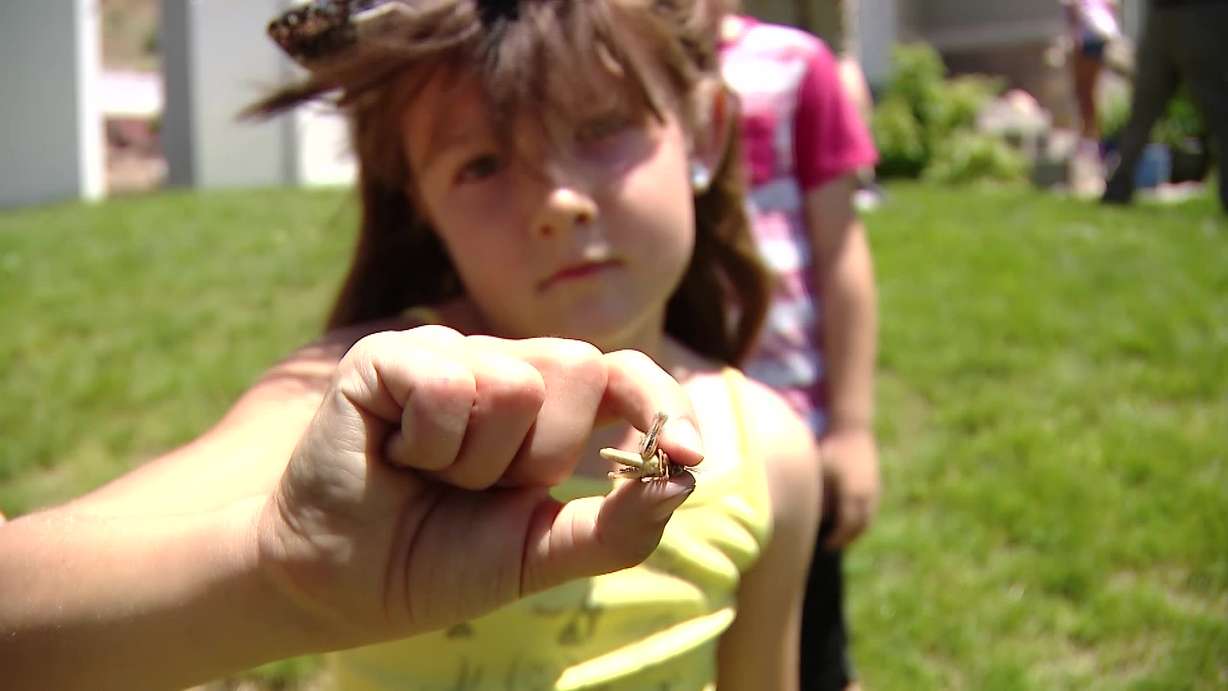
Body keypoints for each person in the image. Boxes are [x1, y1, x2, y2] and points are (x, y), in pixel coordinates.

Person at [0, 1, 822, 690]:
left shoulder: (771, 452)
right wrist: (279, 573)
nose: (558, 201)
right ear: (417, 200)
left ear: (706, 130)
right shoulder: (361, 406)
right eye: (482, 163)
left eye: (603, 126)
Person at [718, 10, 880, 691]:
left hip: (792, 442)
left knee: (813, 660)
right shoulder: (602, 76)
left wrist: (851, 427)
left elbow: (842, 251)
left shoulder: (794, 67)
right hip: (667, 441)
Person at [1102, 0, 1228, 212]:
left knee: (1218, 112)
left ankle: (1118, 188)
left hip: (1196, 16)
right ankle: (1118, 188)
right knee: (1144, 110)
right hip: (1171, 17)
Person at [1063, 0, 1120, 190]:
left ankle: (1091, 151)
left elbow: (1073, 12)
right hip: (1103, 37)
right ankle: (1095, 150)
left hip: (1089, 40)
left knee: (1086, 97)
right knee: (1093, 97)